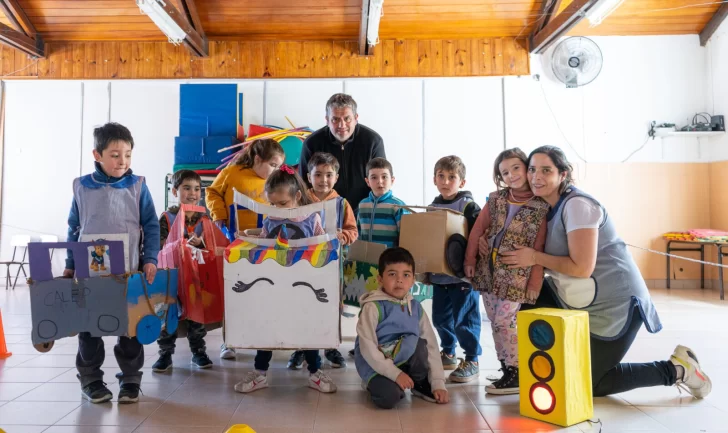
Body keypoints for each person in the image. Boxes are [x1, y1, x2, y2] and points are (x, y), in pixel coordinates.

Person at [498, 145, 711, 398]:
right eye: (532, 169)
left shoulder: (578, 206)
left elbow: (581, 267)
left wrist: (533, 257)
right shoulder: (543, 207)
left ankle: (677, 370)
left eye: (546, 170)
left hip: (616, 304)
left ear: (563, 174)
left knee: (591, 384)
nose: (536, 177)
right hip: (576, 296)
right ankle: (534, 371)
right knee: (528, 301)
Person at [63, 122, 160, 404]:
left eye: (128, 154)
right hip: (89, 272)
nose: (123, 161)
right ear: (97, 154)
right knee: (89, 325)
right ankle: (91, 379)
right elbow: (73, 227)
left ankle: (130, 379)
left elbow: (151, 225)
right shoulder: (81, 186)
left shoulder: (138, 185)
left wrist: (150, 258)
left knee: (131, 325)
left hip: (129, 270)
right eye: (115, 154)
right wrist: (70, 262)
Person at [234, 165, 337, 394]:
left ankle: (315, 372)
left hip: (303, 286)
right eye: (272, 204)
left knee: (307, 329)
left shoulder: (311, 218)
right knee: (267, 329)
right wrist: (246, 238)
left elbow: (322, 249)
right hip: (274, 286)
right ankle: (260, 373)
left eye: (282, 204)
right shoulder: (271, 220)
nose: (277, 209)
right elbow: (263, 245)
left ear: (297, 196)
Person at [464, 148, 548, 394]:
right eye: (505, 172)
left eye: (516, 168)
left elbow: (538, 248)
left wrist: (534, 284)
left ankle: (518, 369)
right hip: (488, 272)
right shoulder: (496, 199)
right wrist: (470, 259)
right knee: (495, 321)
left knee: (505, 320)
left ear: (526, 168)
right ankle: (508, 368)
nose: (511, 175)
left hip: (515, 276)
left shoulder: (540, 206)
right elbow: (478, 231)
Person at [205, 139, 285, 360]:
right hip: (235, 242)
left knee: (262, 289)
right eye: (273, 165)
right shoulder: (232, 173)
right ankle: (228, 341)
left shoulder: (274, 181)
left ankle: (262, 338)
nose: (275, 171)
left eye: (279, 167)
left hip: (265, 244)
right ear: (258, 159)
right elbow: (212, 193)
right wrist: (219, 218)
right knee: (233, 291)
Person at [287, 152, 358, 371]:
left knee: (331, 304)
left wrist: (342, 235)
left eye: (329, 175)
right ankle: (300, 347)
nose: (323, 180)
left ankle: (330, 347)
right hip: (302, 264)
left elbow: (353, 231)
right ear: (309, 176)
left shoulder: (341, 203)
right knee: (302, 303)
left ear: (336, 177)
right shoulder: (299, 199)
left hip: (332, 264)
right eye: (318, 174)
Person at [355, 247, 449, 409]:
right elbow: (367, 347)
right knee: (388, 398)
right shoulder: (373, 306)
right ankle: (378, 383)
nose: (399, 280)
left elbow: (431, 344)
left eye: (406, 275)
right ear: (380, 278)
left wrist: (438, 383)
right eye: (392, 274)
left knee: (420, 344)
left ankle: (419, 383)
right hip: (376, 365)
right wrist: (395, 374)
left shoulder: (416, 307)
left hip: (404, 359)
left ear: (413, 280)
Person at [428, 156, 483, 383]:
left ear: (462, 182)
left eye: (452, 177)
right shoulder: (432, 207)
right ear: (434, 179)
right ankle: (449, 352)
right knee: (440, 318)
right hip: (440, 276)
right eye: (441, 176)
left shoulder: (468, 206)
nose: (446, 181)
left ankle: (472, 359)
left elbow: (480, 235)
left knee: (465, 319)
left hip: (462, 276)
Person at [152, 170, 213, 372]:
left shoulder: (205, 219)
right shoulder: (167, 218)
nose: (192, 193)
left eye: (197, 188)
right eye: (186, 188)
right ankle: (165, 355)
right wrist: (181, 243)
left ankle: (199, 352)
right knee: (167, 315)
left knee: (196, 316)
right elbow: (160, 244)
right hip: (171, 277)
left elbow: (211, 246)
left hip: (195, 278)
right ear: (175, 191)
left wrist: (201, 242)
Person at [299, 93, 386, 214]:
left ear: (356, 118)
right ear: (327, 120)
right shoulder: (311, 144)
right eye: (335, 119)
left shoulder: (373, 141)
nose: (342, 125)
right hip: (323, 214)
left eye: (347, 119)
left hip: (365, 214)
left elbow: (381, 181)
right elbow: (303, 185)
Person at [357, 158, 408, 249]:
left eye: (384, 177)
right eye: (374, 177)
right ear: (367, 181)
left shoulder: (398, 206)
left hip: (390, 260)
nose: (380, 181)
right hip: (365, 260)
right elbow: (358, 233)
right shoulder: (362, 205)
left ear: (392, 180)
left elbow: (406, 238)